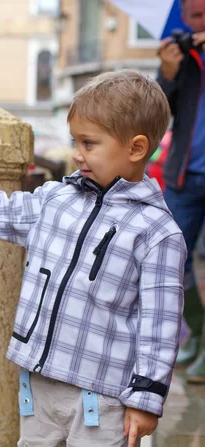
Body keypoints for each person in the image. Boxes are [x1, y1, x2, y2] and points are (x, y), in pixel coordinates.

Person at [0, 71, 186, 447]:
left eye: (89, 144)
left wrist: (146, 399)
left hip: (101, 396)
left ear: (136, 148)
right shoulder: (56, 200)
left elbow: (159, 325)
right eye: (75, 141)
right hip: (38, 381)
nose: (77, 153)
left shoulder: (158, 232)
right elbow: (0, 210)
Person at [157, 0, 205, 382]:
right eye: (192, 15)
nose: (195, 21)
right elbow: (157, 112)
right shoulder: (183, 58)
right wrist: (169, 73)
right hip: (184, 177)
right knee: (175, 259)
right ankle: (198, 334)